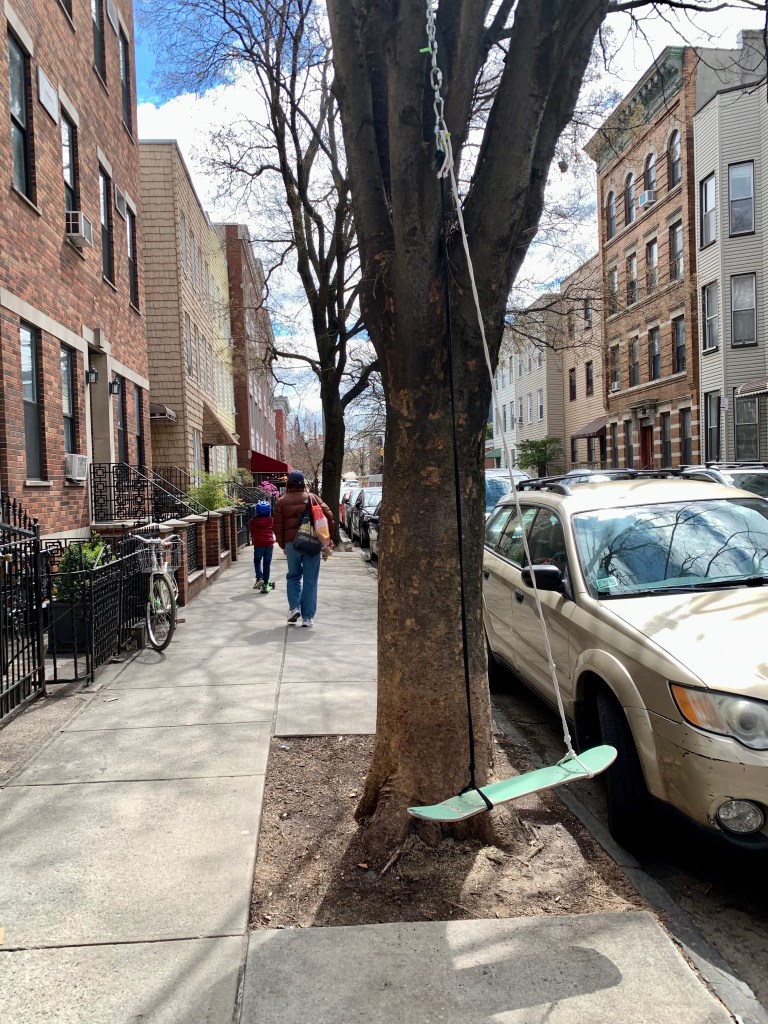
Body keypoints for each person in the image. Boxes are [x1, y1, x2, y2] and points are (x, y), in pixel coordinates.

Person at [273, 470, 334, 628]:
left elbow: (277, 527)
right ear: (303, 483)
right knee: (310, 580)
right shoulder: (313, 498)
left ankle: (294, 608)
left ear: (288, 484)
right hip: (311, 543)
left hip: (291, 544)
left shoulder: (281, 501)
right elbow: (329, 516)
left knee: (293, 576)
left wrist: (282, 544)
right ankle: (307, 618)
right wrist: (327, 539)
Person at [249, 500, 275, 592]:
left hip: (259, 545)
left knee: (257, 561)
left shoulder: (253, 521)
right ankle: (265, 584)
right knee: (267, 564)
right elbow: (274, 530)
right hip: (269, 544)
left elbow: (252, 533)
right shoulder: (271, 520)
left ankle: (259, 577)